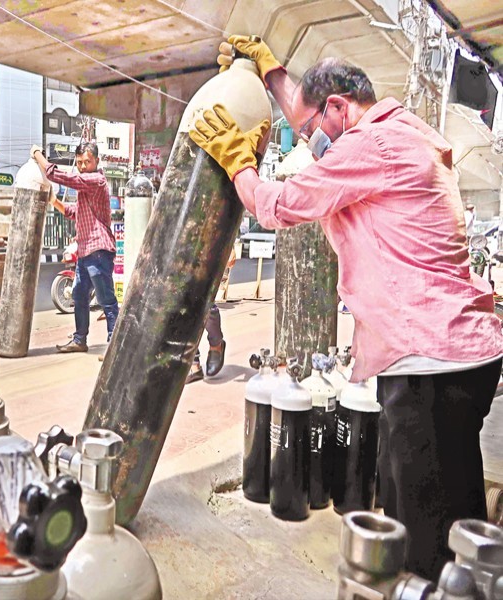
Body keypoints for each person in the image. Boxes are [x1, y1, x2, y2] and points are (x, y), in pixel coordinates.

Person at [192, 37, 503, 580]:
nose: (311, 143)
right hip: (459, 354)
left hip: (425, 360)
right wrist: (274, 77)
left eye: (312, 130)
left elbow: (279, 204)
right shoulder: (405, 135)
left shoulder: (372, 147)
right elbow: (316, 117)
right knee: (451, 508)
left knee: (428, 539)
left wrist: (239, 164)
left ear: (339, 108)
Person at [31, 142, 119, 353]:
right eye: (79, 162)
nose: (82, 166)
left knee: (106, 299)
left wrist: (38, 155)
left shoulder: (96, 180)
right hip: (85, 252)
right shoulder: (86, 187)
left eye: (87, 162)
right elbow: (74, 212)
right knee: (79, 296)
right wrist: (54, 201)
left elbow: (67, 178)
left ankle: (114, 345)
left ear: (97, 161)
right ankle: (80, 339)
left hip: (98, 250)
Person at [186, 247, 235, 383]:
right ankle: (193, 364)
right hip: (178, 250)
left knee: (204, 304)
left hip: (207, 249)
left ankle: (216, 343)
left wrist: (230, 247)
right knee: (182, 309)